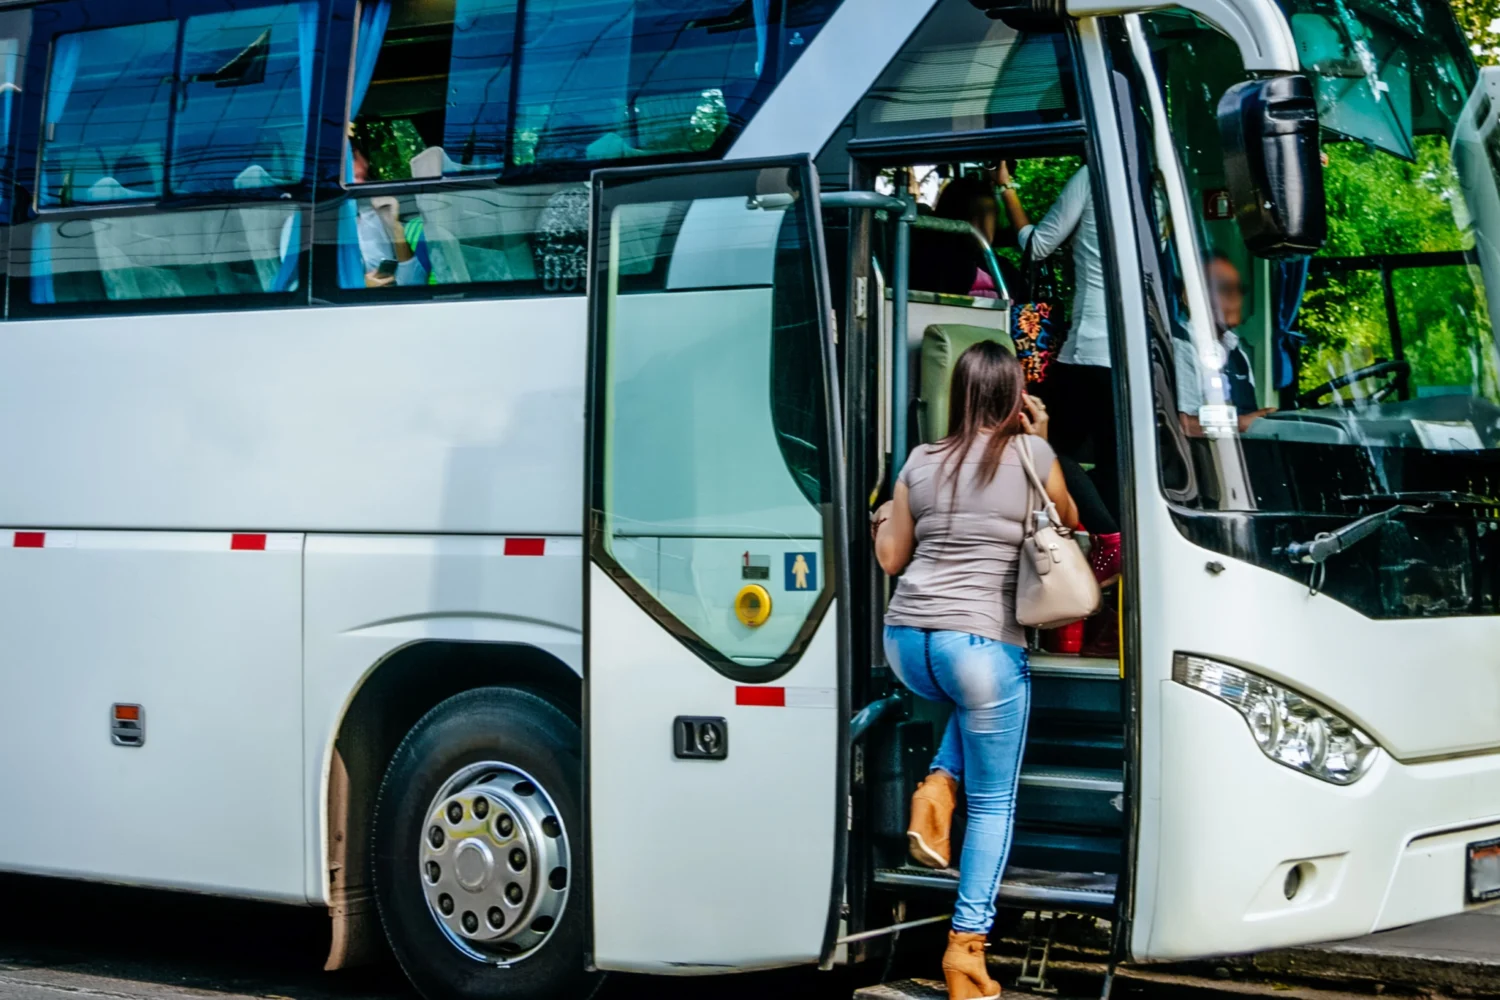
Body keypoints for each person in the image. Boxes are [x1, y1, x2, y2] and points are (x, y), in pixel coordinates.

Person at [870, 342, 1078, 1000]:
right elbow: (1069, 524)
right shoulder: (1032, 456)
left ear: (958, 395)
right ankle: (964, 953)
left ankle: (937, 783)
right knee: (993, 806)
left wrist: (880, 514)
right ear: (1016, 398)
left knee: (971, 700)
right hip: (980, 648)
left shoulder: (920, 462)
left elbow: (892, 556)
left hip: (908, 644)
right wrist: (1041, 440)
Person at [1176, 252, 1277, 434]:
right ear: (1189, 296)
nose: (1235, 298)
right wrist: (1240, 424)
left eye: (1239, 290)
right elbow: (1181, 426)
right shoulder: (1181, 346)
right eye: (1224, 289)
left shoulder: (1238, 354)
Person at [910, 174, 1027, 301]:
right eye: (975, 215)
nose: (984, 225)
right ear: (956, 216)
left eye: (990, 214)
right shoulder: (932, 263)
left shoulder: (1004, 268)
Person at [349, 130, 429, 289]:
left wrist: (395, 228)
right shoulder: (303, 225)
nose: (362, 165)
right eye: (350, 157)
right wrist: (360, 286)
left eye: (359, 155)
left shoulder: (375, 215)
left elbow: (415, 284)